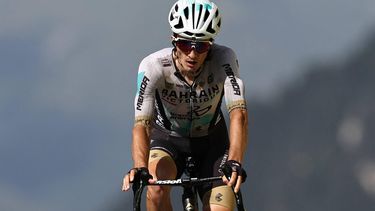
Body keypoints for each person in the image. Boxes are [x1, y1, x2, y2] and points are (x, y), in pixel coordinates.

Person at [122, 0, 248, 210]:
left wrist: (234, 160)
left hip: (213, 145)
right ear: (173, 40)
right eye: (184, 44)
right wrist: (140, 166)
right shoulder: (153, 67)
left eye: (201, 46)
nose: (192, 53)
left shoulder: (224, 60)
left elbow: (239, 114)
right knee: (155, 188)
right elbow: (141, 125)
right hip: (168, 140)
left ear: (211, 45)